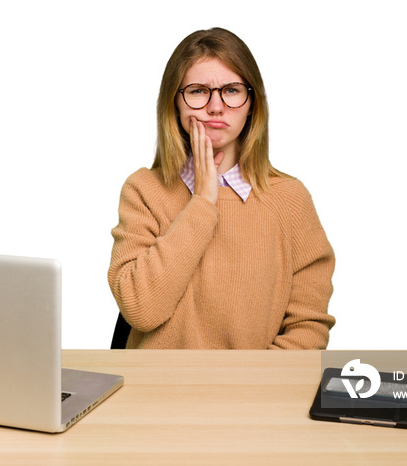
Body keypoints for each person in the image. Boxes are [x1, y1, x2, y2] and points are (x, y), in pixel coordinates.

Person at [107, 27, 335, 349]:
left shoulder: (290, 200)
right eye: (198, 91)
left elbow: (307, 327)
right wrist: (203, 200)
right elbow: (141, 309)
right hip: (157, 394)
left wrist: (251, 388)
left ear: (252, 103)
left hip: (253, 394)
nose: (215, 107)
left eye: (231, 90)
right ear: (175, 104)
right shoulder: (144, 190)